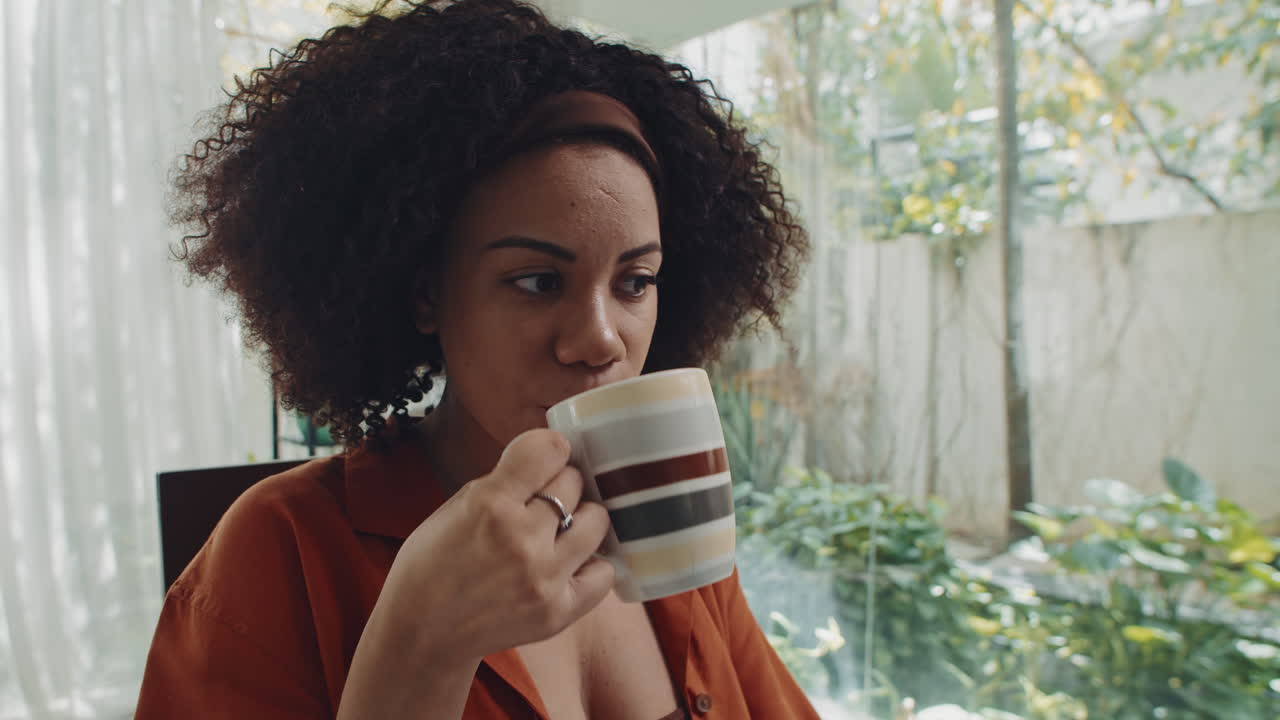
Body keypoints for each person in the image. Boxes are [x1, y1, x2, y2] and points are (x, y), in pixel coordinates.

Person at [136, 1, 815, 718]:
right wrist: (419, 643)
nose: (600, 339)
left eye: (635, 282)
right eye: (537, 281)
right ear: (428, 294)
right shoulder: (281, 553)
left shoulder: (670, 539)